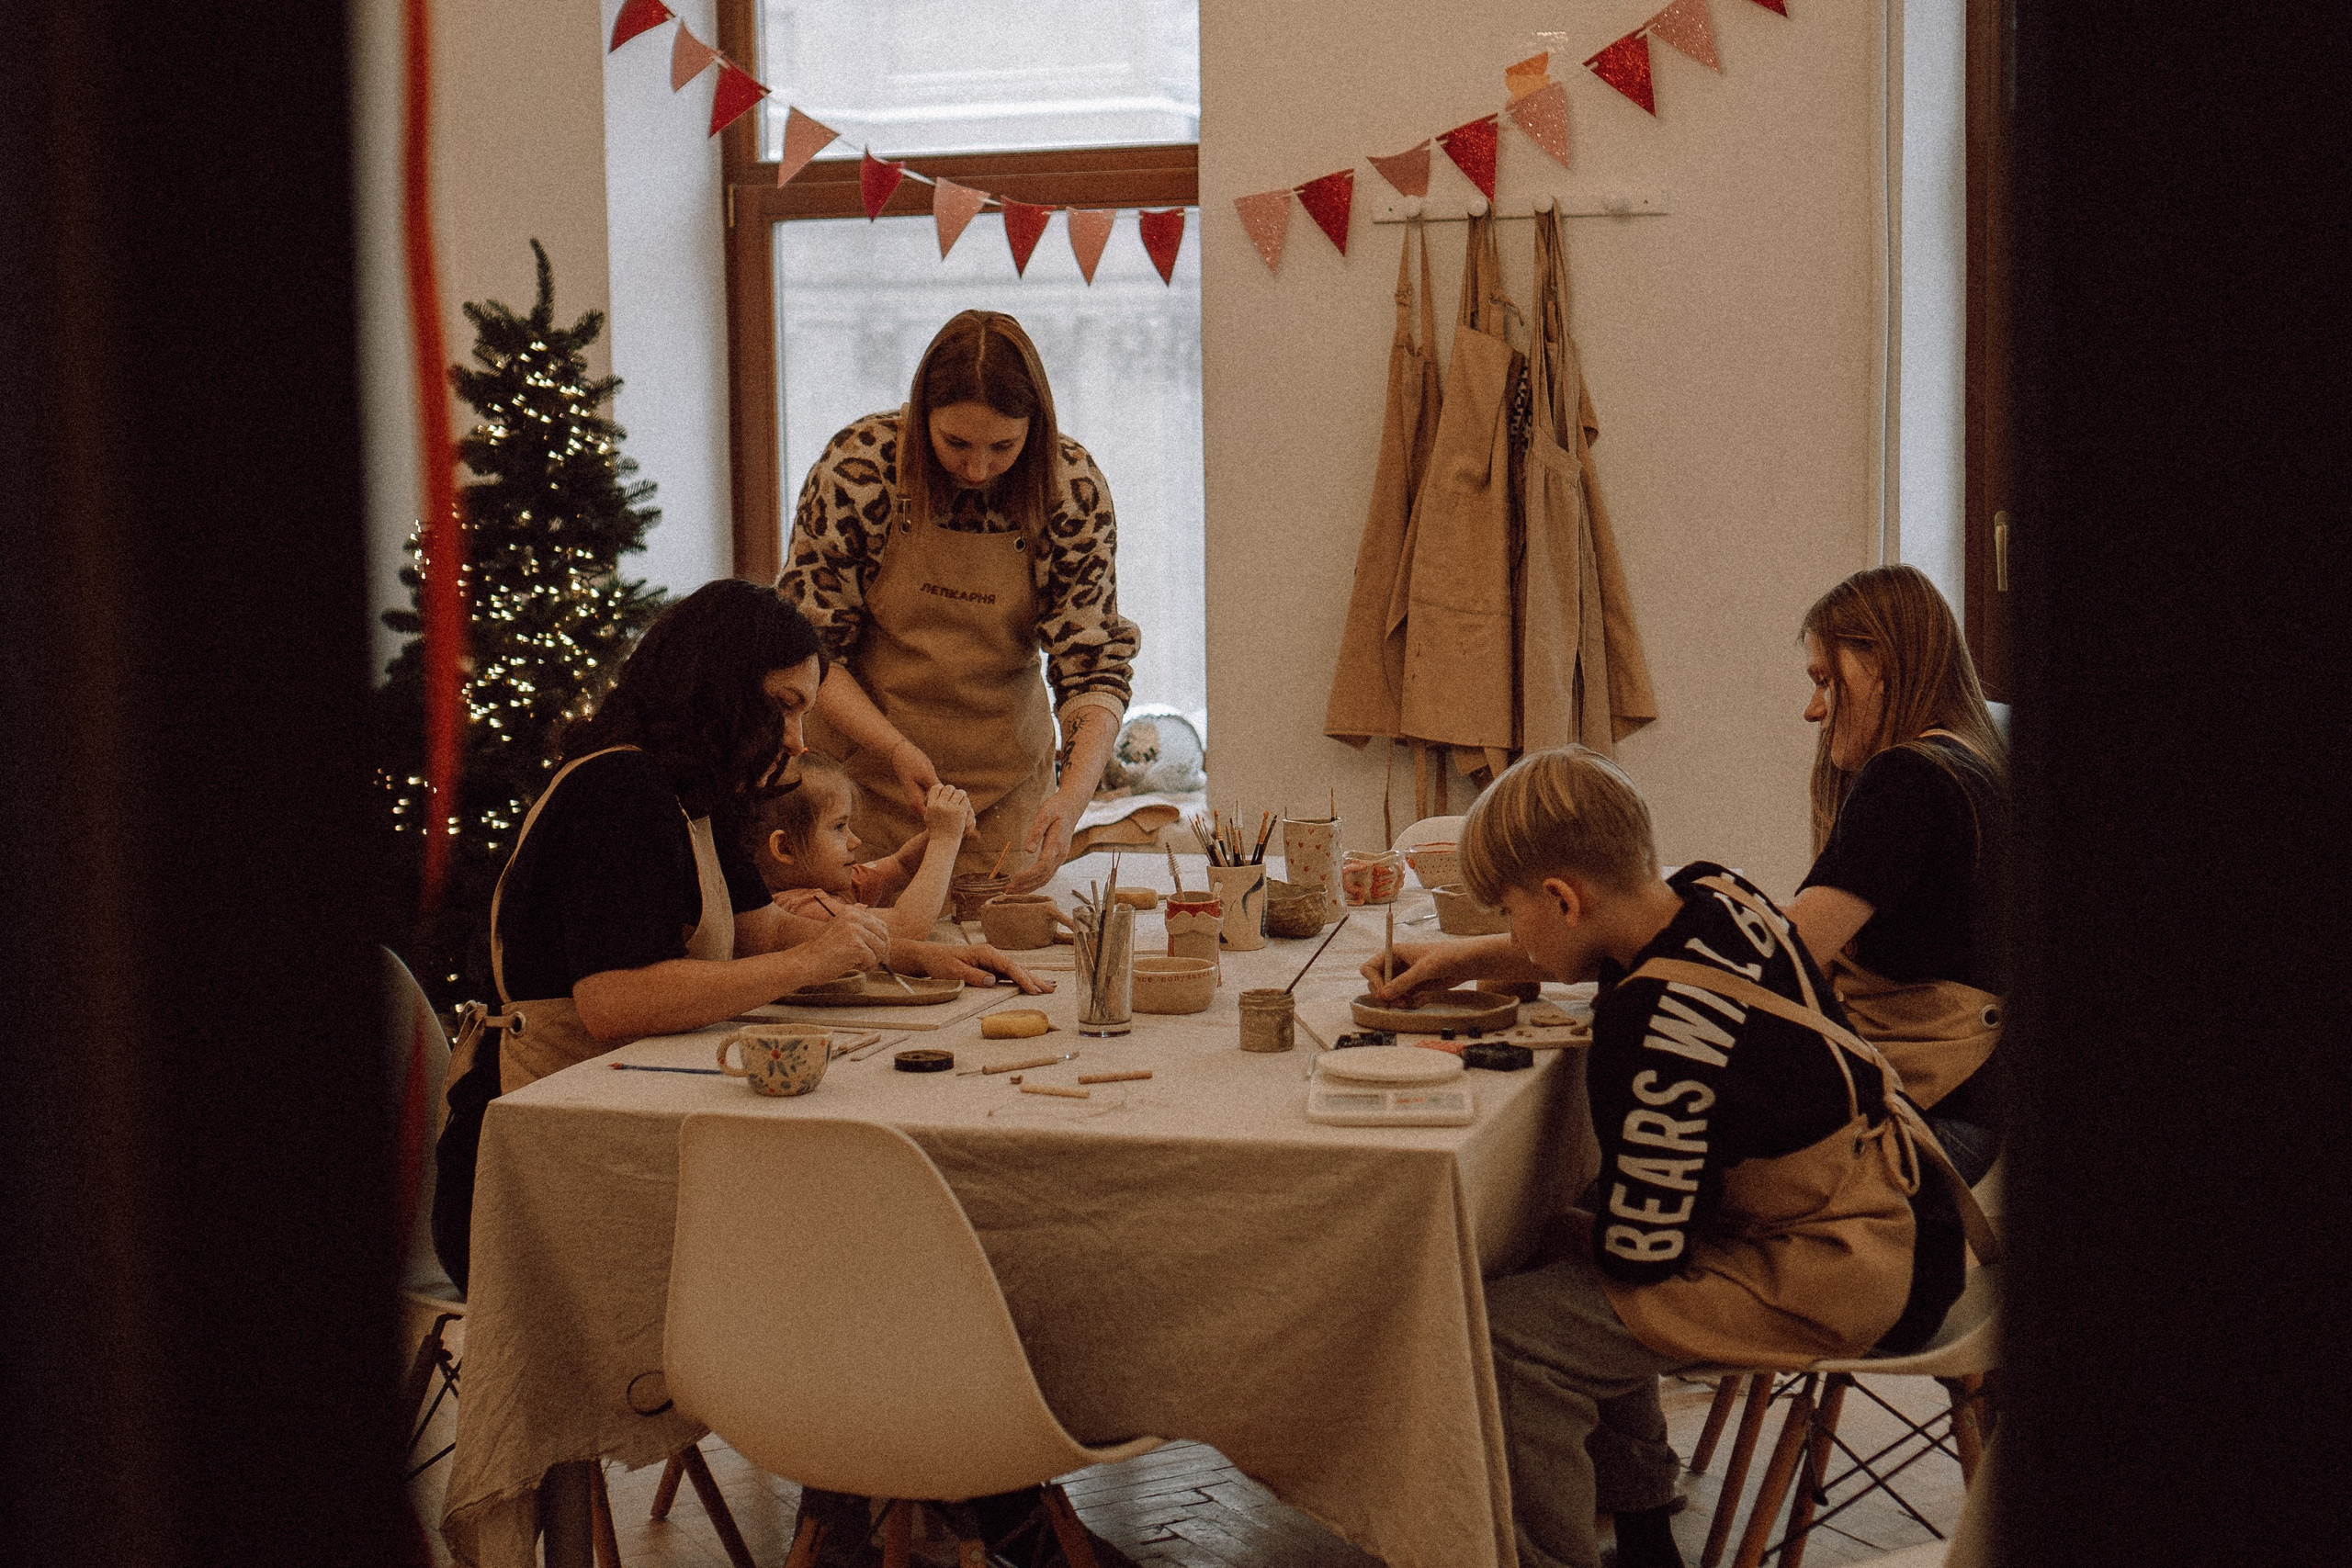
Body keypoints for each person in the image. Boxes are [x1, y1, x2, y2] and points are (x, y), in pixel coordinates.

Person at [1363, 747, 1972, 1568]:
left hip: (1842, 1269)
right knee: (1568, 1251)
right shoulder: (1714, 891)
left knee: (1509, 1337)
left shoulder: (1648, 1033)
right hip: (1909, 1208)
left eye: (1509, 914)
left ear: (1562, 898)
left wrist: (1568, 1233)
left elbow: (1642, 1258)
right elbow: (1615, 956)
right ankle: (1647, 1538)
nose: (1514, 937)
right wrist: (1467, 961)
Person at [430, 580, 1046, 1295]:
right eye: (784, 705)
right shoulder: (619, 789)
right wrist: (813, 959)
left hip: (607, 1116)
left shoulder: (695, 793)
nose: (798, 739)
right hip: (520, 1163)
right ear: (718, 685)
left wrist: (915, 953)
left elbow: (765, 929)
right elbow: (614, 1001)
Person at [779, 310, 1140, 897]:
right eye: (955, 443)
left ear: (1035, 428)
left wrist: (1072, 799)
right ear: (922, 415)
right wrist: (895, 748)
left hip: (1002, 794)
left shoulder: (1068, 489)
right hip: (860, 791)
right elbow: (810, 653)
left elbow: (1093, 666)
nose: (977, 468)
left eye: (1003, 446)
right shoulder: (859, 469)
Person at [1784, 564, 2009, 1185]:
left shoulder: (1908, 777)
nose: (1813, 710)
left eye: (1825, 681)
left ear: (1878, 665)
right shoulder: (1975, 764)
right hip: (1971, 1113)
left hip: (1926, 1115)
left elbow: (1785, 954)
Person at [739, 754, 972, 942]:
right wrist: (944, 838)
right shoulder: (801, 907)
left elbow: (902, 865)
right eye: (839, 827)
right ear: (786, 848)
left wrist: (943, 827)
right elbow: (907, 927)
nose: (855, 841)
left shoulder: (827, 883)